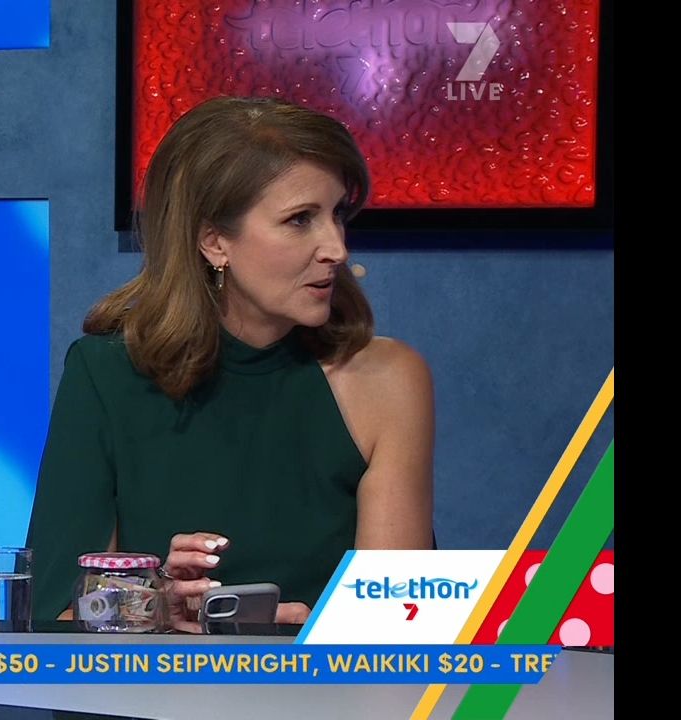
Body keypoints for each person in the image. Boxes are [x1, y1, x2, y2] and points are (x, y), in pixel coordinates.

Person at [26, 97, 434, 630]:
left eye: (337, 214)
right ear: (214, 240)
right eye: (300, 220)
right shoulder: (104, 374)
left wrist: (289, 645)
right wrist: (157, 612)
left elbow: (398, 630)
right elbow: (56, 619)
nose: (335, 248)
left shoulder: (389, 379)